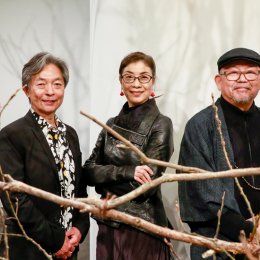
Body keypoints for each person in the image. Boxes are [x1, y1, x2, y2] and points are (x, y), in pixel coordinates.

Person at [83, 51, 174, 260]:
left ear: (153, 82)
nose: (136, 83)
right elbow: (87, 171)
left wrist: (103, 183)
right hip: (108, 226)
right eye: (129, 77)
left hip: (142, 228)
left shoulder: (161, 124)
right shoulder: (111, 124)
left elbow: (144, 188)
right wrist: (129, 171)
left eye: (144, 77)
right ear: (121, 82)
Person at [0, 52, 89, 260]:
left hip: (69, 248)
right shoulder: (11, 135)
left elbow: (79, 188)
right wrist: (56, 241)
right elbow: (14, 199)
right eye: (41, 84)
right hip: (29, 249)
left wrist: (80, 227)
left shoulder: (70, 134)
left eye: (57, 84)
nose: (50, 92)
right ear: (26, 90)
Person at [178, 47, 260, 259]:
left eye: (250, 72)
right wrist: (250, 232)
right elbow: (201, 197)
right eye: (233, 73)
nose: (242, 79)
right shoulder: (199, 126)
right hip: (217, 245)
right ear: (219, 80)